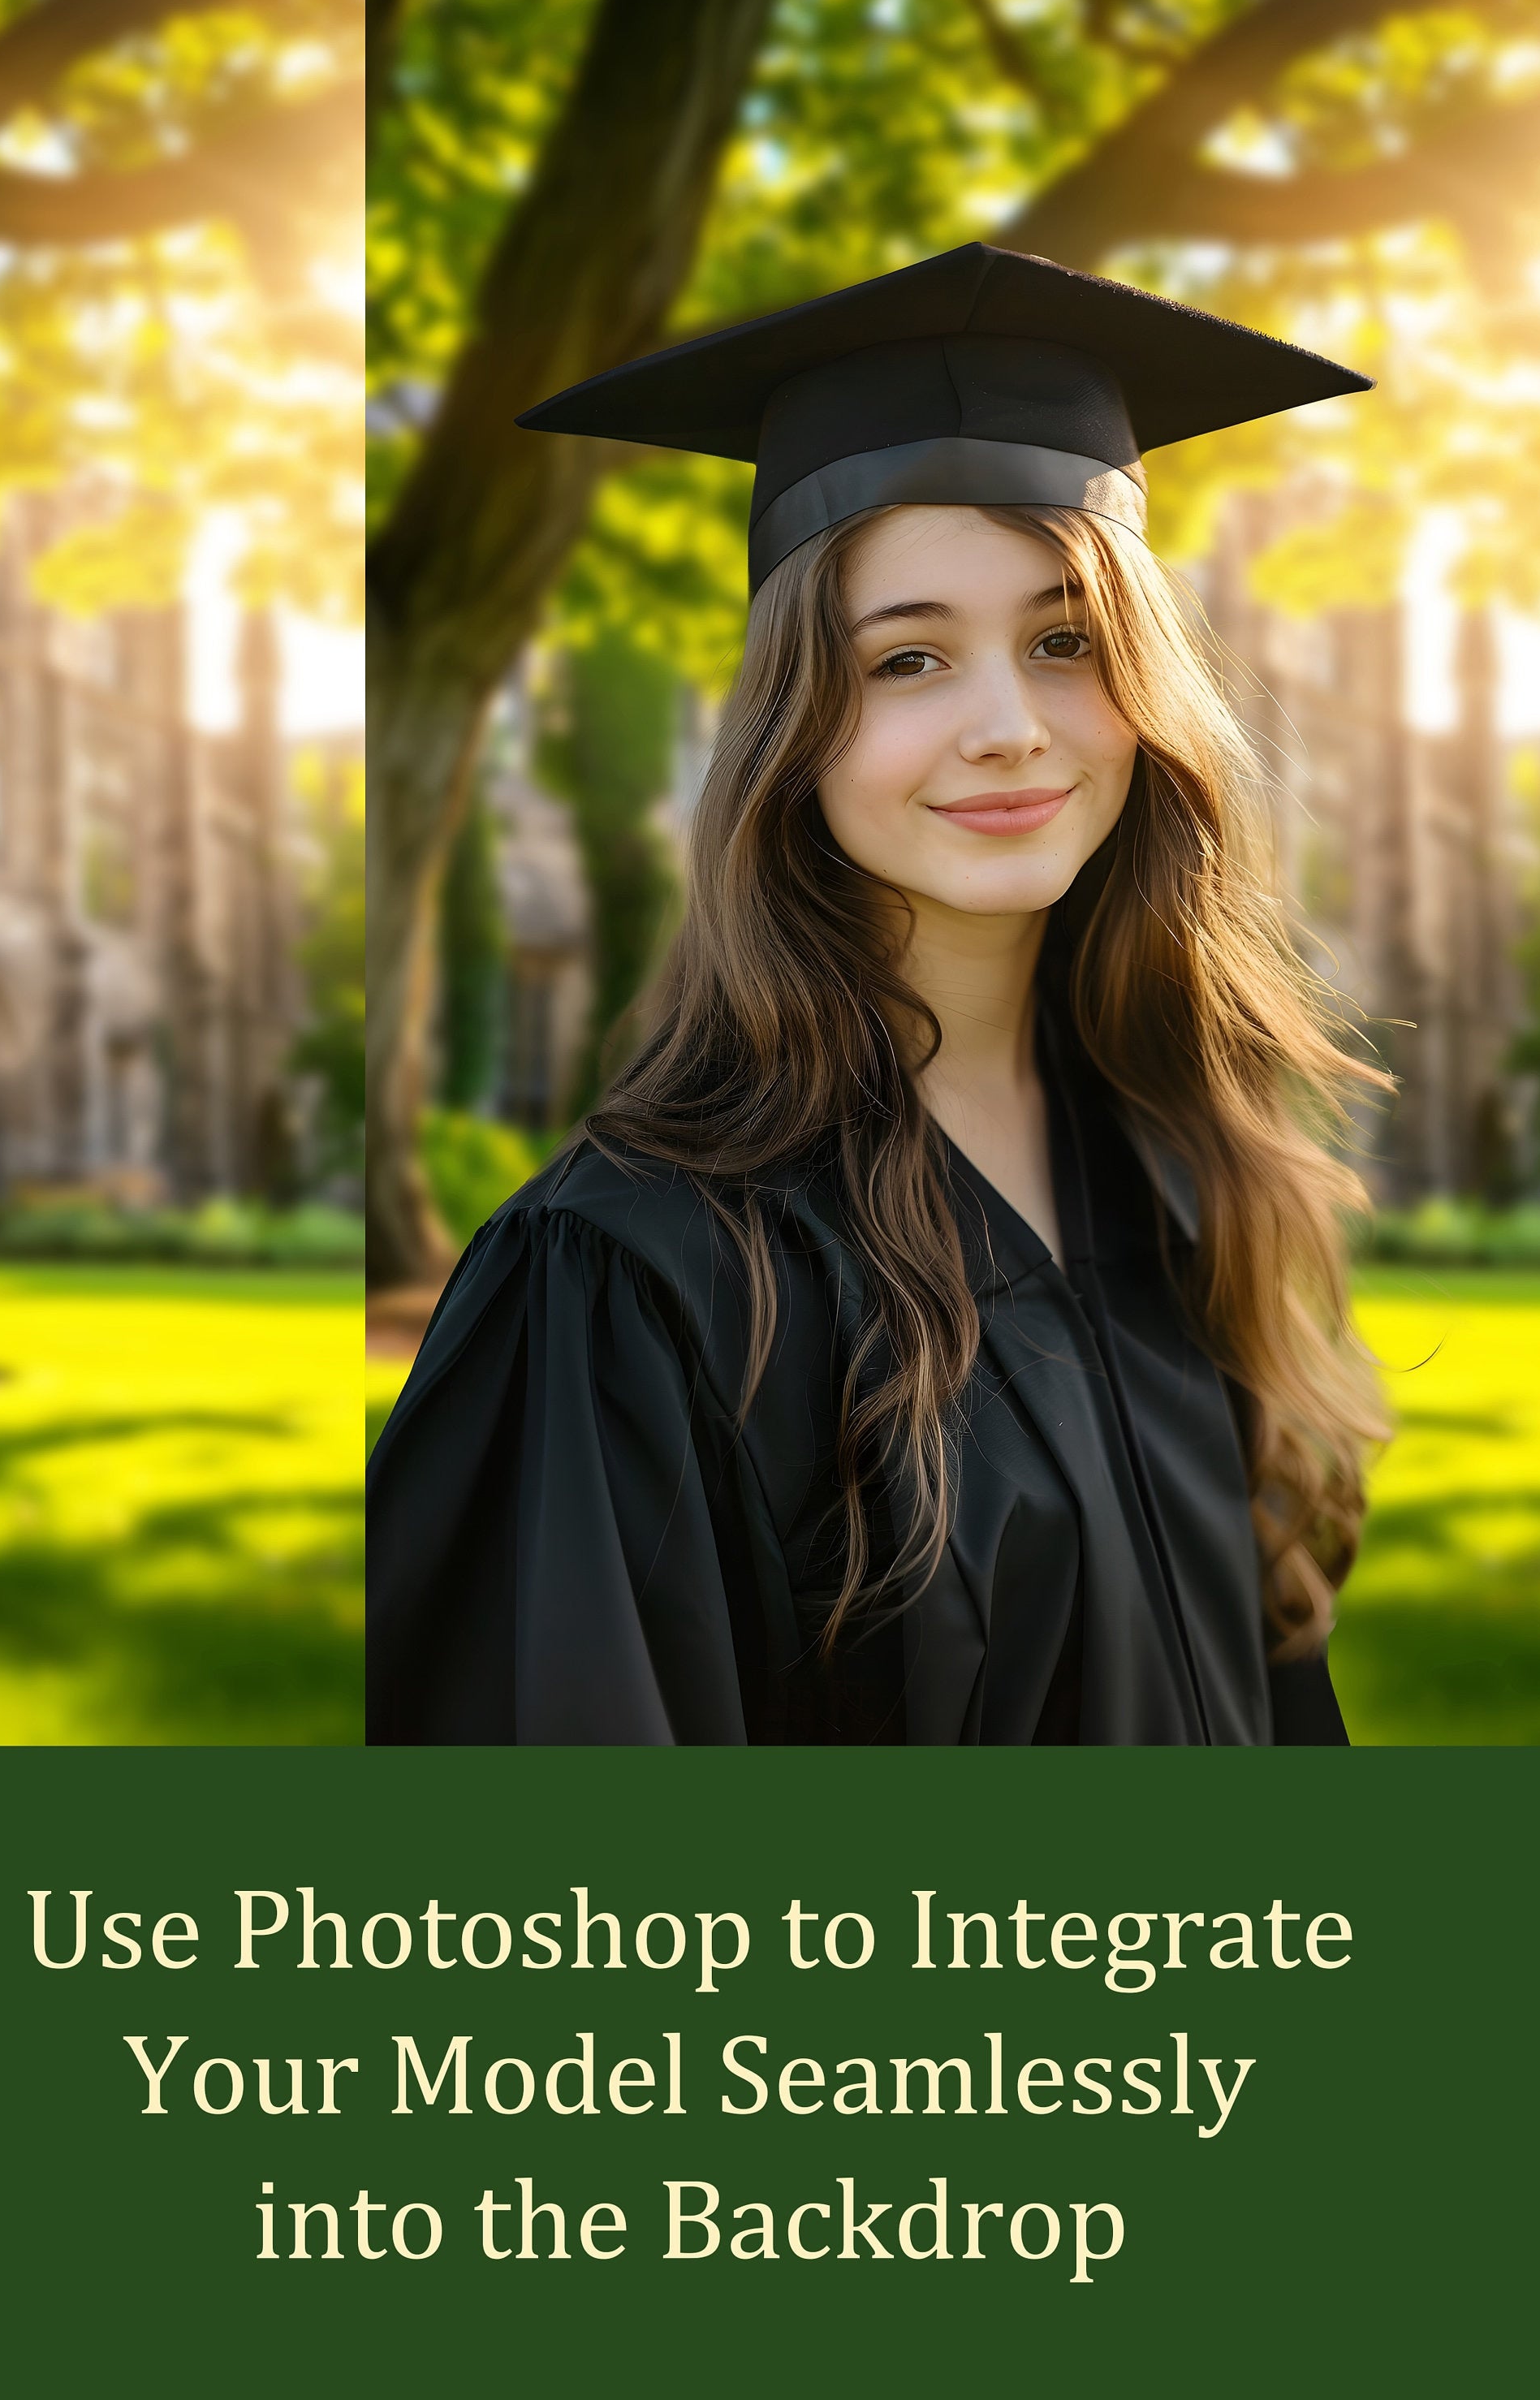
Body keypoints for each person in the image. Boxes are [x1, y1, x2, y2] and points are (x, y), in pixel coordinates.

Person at [368, 244, 1389, 1746]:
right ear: (795, 728)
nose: (1008, 727)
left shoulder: (1181, 1169)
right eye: (909, 659)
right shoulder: (638, 1282)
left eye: (1064, 642)